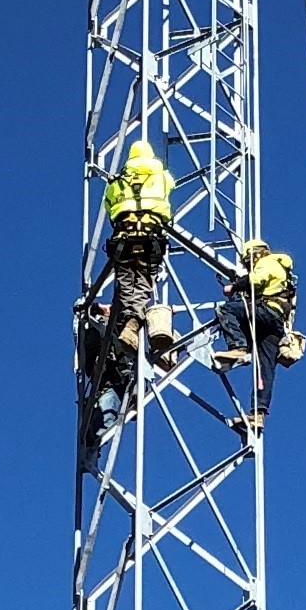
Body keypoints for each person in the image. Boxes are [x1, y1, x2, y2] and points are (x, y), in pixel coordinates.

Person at [78, 138, 181, 449]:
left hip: (124, 238)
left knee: (128, 285)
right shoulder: (160, 174)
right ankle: (135, 326)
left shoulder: (118, 181)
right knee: (142, 286)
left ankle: (132, 327)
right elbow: (169, 189)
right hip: (151, 236)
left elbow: (111, 205)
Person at [221, 240, 304, 423]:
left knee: (227, 310)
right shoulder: (285, 274)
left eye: (248, 261)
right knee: (264, 368)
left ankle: (238, 347)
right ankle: (258, 415)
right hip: (275, 324)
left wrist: (234, 287)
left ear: (255, 254)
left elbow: (256, 280)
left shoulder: (268, 262)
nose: (249, 265)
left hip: (267, 312)